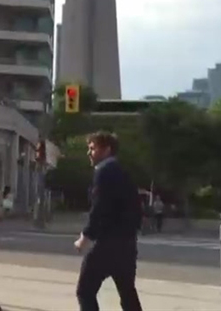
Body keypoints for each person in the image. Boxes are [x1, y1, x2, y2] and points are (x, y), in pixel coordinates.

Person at [74, 131, 143, 311]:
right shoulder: (123, 172)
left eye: (92, 148)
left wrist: (86, 237)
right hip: (127, 244)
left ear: (106, 150)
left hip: (106, 244)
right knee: (127, 293)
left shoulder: (103, 172)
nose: (89, 153)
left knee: (85, 291)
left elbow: (99, 208)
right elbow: (136, 207)